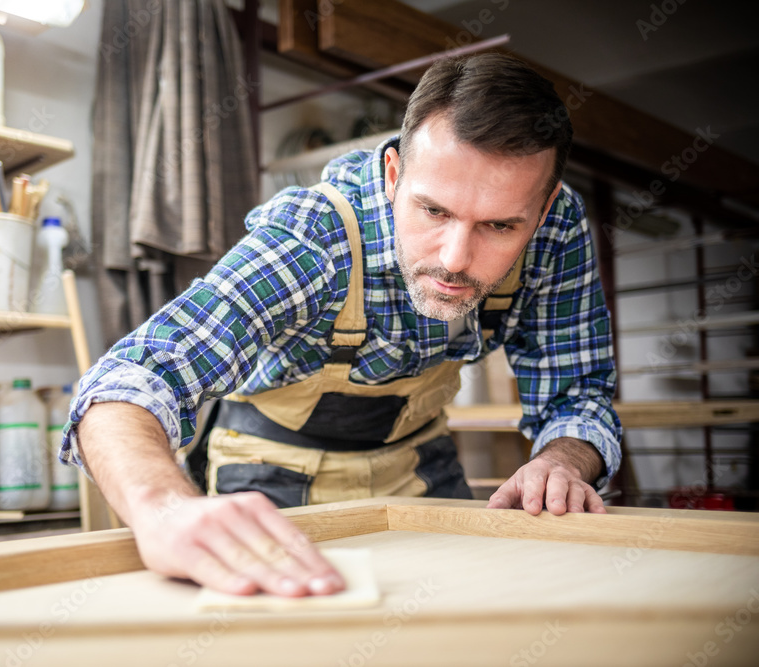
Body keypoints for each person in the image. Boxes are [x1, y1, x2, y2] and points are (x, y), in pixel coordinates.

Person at [61, 52, 622, 598]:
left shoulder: (557, 230)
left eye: (499, 225)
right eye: (434, 211)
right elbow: (128, 380)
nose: (454, 258)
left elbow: (579, 394)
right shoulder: (312, 237)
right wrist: (164, 508)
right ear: (394, 173)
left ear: (543, 209)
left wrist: (561, 460)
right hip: (270, 471)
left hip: (418, 460)